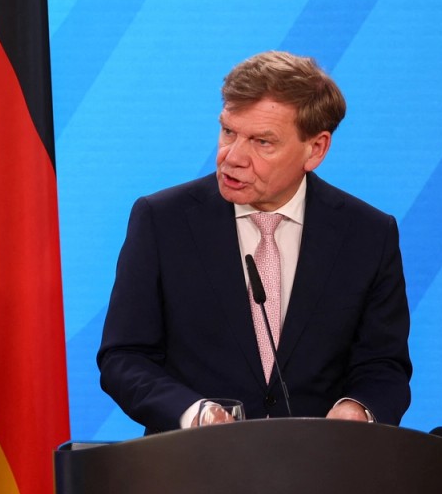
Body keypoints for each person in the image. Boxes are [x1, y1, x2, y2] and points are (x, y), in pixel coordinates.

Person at [97, 51, 411, 433]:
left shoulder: (367, 234)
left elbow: (383, 365)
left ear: (316, 149)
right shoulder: (162, 221)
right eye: (229, 132)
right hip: (192, 461)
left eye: (262, 142)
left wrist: (356, 411)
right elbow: (124, 357)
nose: (232, 158)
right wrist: (192, 413)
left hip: (317, 464)